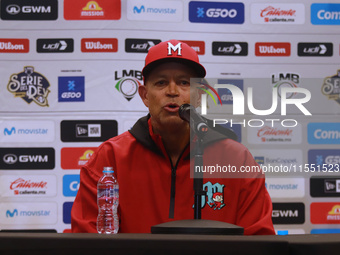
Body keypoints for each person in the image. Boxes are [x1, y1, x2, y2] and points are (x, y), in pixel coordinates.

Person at [71, 40, 275, 235]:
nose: (172, 91)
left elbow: (258, 241)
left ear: (200, 95)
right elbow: (87, 241)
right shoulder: (110, 158)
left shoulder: (237, 160)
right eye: (161, 82)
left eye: (184, 82)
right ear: (144, 95)